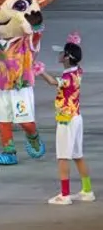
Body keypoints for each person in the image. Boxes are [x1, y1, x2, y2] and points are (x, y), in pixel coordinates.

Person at [39, 39, 93, 205]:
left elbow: (53, 82)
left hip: (66, 120)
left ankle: (64, 195)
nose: (60, 55)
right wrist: (73, 45)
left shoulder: (67, 77)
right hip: (77, 117)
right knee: (78, 156)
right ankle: (87, 191)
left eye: (63, 53)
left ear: (68, 57)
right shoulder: (78, 71)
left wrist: (40, 72)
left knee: (63, 157)